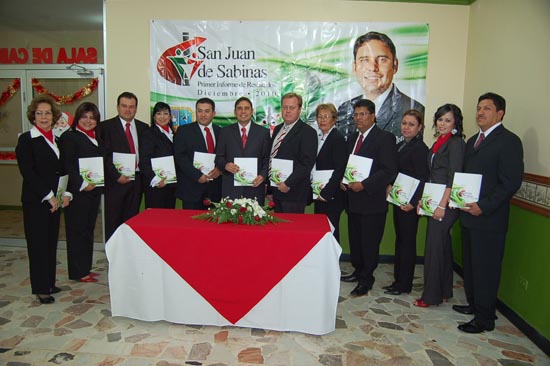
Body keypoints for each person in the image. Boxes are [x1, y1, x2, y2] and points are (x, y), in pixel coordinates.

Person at [454, 93, 524, 333]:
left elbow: (510, 182)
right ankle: (474, 305)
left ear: (500, 113)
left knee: (486, 269)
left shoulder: (509, 141)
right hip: (468, 216)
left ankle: (485, 318)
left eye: (487, 108)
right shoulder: (474, 140)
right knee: (472, 266)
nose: (480, 112)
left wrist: (483, 206)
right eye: (478, 108)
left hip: (489, 219)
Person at [15, 95, 71, 304]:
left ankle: (49, 282)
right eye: (40, 113)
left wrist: (66, 194)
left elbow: (63, 169)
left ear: (54, 116)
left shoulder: (56, 139)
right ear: (33, 115)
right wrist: (48, 196)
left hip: (55, 202)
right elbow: (28, 172)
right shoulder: (27, 140)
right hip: (36, 202)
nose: (44, 117)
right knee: (37, 245)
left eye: (48, 113)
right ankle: (40, 288)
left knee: (49, 242)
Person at [340, 99, 398, 297]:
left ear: (373, 116)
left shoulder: (385, 138)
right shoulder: (352, 139)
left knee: (369, 243)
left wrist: (364, 184)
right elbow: (348, 167)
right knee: (356, 240)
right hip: (353, 201)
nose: (358, 118)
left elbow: (389, 170)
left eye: (363, 114)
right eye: (356, 115)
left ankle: (367, 279)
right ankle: (358, 271)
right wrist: (343, 180)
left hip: (372, 202)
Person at [413, 104, 465, 308]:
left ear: (455, 123)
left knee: (434, 247)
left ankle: (431, 296)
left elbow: (454, 177)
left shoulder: (456, 143)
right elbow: (432, 175)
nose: (442, 123)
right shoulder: (438, 143)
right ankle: (444, 290)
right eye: (440, 119)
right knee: (442, 246)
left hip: (447, 203)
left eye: (448, 120)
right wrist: (423, 201)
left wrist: (442, 205)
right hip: (434, 199)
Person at [337, 31, 425, 143]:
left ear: (395, 65)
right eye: (364, 60)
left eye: (382, 60)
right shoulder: (345, 109)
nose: (373, 68)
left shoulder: (414, 109)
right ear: (354, 67)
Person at [383, 110, 429, 295]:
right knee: (401, 241)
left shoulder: (419, 148)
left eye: (411, 124)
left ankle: (404, 284)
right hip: (399, 200)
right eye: (404, 123)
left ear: (419, 128)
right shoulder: (402, 145)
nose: (406, 127)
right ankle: (398, 280)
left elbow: (423, 177)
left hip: (409, 204)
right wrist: (389, 185)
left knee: (408, 243)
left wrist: (414, 202)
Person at [60, 102, 103, 283]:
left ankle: (85, 268)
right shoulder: (69, 137)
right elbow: (67, 165)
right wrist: (83, 183)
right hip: (78, 193)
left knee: (87, 230)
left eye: (92, 118)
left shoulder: (96, 136)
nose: (88, 121)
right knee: (76, 232)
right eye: (84, 117)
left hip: (92, 193)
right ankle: (78, 271)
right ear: (77, 118)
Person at [96, 92, 148, 241]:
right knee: (114, 221)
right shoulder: (105, 127)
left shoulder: (143, 127)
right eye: (124, 106)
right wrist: (116, 175)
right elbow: (104, 156)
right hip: (115, 183)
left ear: (136, 108)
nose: (128, 110)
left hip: (137, 181)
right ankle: (113, 257)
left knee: (131, 221)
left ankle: (128, 256)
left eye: (131, 107)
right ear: (117, 107)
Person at [215, 97, 271, 203]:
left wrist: (263, 176)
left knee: (253, 219)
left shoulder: (263, 133)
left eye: (247, 108)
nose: (243, 111)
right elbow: (218, 158)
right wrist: (226, 165)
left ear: (252, 111)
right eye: (240, 108)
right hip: (231, 189)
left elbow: (267, 159)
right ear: (235, 112)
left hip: (254, 187)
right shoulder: (225, 132)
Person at [269, 92, 317, 213]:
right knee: (278, 230)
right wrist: (270, 188)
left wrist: (288, 183)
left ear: (300, 109)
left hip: (294, 193)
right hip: (277, 190)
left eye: (292, 108)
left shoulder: (308, 132)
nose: (288, 111)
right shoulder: (278, 129)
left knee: (292, 230)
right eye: (285, 107)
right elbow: (272, 158)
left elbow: (307, 164)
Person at [174, 97, 222, 209]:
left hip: (216, 190)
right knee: (191, 225)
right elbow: (180, 157)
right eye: (199, 111)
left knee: (214, 225)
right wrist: (197, 176)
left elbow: (225, 155)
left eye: (207, 111)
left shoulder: (221, 132)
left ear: (213, 113)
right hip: (192, 188)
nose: (203, 115)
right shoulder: (184, 131)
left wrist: (220, 169)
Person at [312, 103, 347, 242]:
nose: (322, 120)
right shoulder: (320, 137)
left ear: (334, 119)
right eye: (320, 117)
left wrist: (326, 192)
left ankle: (332, 262)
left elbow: (340, 169)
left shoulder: (337, 139)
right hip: (320, 192)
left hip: (331, 196)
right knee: (322, 230)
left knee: (330, 231)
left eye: (326, 116)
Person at [139, 102, 176, 209]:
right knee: (155, 218)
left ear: (170, 116)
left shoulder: (175, 134)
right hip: (156, 184)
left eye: (165, 113)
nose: (162, 117)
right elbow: (144, 160)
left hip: (170, 183)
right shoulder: (148, 134)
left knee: (169, 217)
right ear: (154, 116)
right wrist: (155, 179)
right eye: (159, 114)